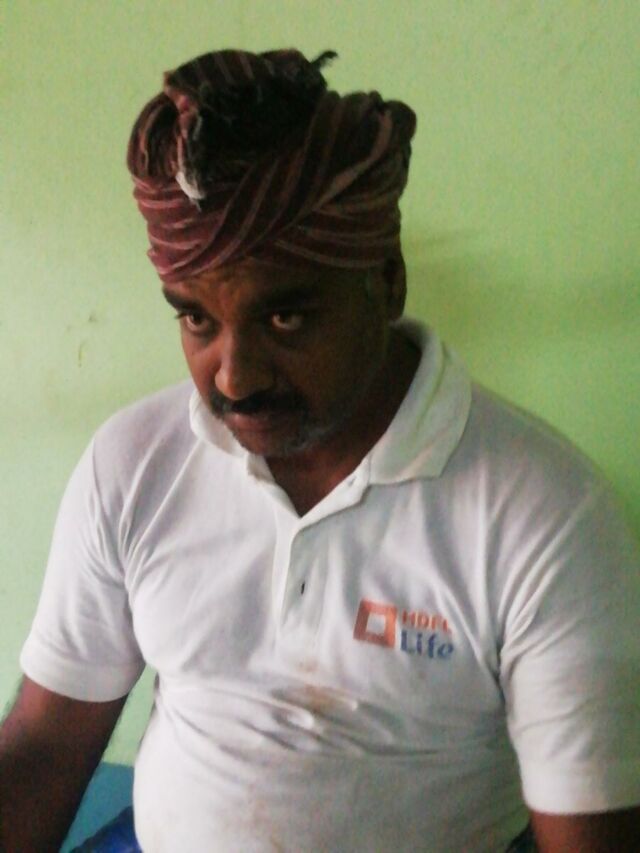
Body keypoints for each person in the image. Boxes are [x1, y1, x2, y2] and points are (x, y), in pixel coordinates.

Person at [0, 48, 638, 853]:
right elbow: (47, 744)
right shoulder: (135, 462)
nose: (234, 376)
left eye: (286, 318)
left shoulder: (544, 514)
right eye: (197, 319)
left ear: (388, 282)